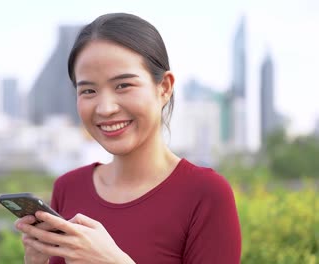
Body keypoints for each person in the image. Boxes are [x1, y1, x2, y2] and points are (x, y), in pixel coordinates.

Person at [15, 12, 241, 264]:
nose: (105, 108)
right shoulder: (68, 188)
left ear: (164, 87)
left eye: (123, 85)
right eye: (88, 90)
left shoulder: (206, 194)